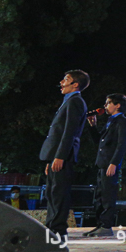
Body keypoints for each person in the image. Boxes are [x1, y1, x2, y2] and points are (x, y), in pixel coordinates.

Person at [40, 70, 90, 241]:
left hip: (63, 156)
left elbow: (70, 132)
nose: (61, 82)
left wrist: (60, 156)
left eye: (66, 79)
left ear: (75, 84)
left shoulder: (76, 102)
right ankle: (51, 227)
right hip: (55, 155)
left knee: (59, 193)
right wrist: (50, 159)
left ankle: (58, 230)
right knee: (52, 193)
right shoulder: (68, 101)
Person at [84, 93, 126, 237]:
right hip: (102, 163)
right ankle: (100, 224)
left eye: (108, 103)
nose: (105, 106)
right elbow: (99, 141)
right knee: (100, 195)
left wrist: (114, 162)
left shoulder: (122, 121)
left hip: (110, 164)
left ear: (117, 105)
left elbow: (122, 144)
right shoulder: (111, 121)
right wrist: (93, 126)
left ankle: (106, 225)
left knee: (108, 194)